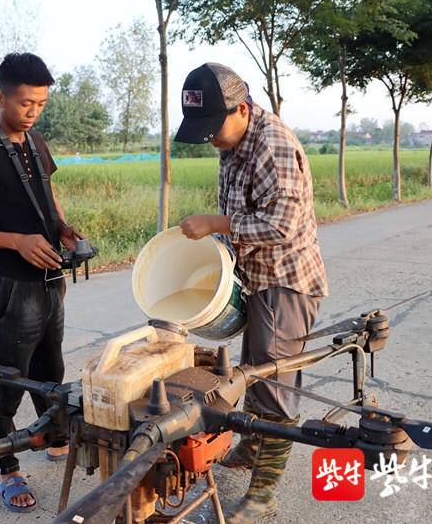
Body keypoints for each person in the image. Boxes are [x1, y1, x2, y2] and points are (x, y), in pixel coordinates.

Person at [174, 63, 329, 523]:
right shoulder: (235, 140)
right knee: (254, 370)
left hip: (284, 280)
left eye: (213, 127)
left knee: (274, 385)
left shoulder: (273, 145)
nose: (210, 139)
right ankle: (253, 444)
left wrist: (216, 224)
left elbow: (281, 225)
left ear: (242, 108)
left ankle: (264, 493)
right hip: (255, 276)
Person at [0, 52, 83, 513]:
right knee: (6, 381)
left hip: (50, 279)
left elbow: (49, 198)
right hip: (12, 286)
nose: (34, 111)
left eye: (42, 104)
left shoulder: (36, 142)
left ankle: (56, 438)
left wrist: (62, 230)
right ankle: (8, 471)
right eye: (26, 103)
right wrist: (17, 243)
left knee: (51, 371)